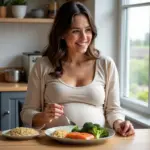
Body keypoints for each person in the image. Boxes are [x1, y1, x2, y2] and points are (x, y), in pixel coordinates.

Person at [20, 1, 135, 137]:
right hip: (53, 143)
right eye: (75, 31)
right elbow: (27, 112)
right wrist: (43, 117)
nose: (84, 37)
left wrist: (119, 123)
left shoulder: (106, 64)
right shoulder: (43, 65)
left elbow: (113, 110)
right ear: (62, 33)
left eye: (87, 30)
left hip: (95, 143)